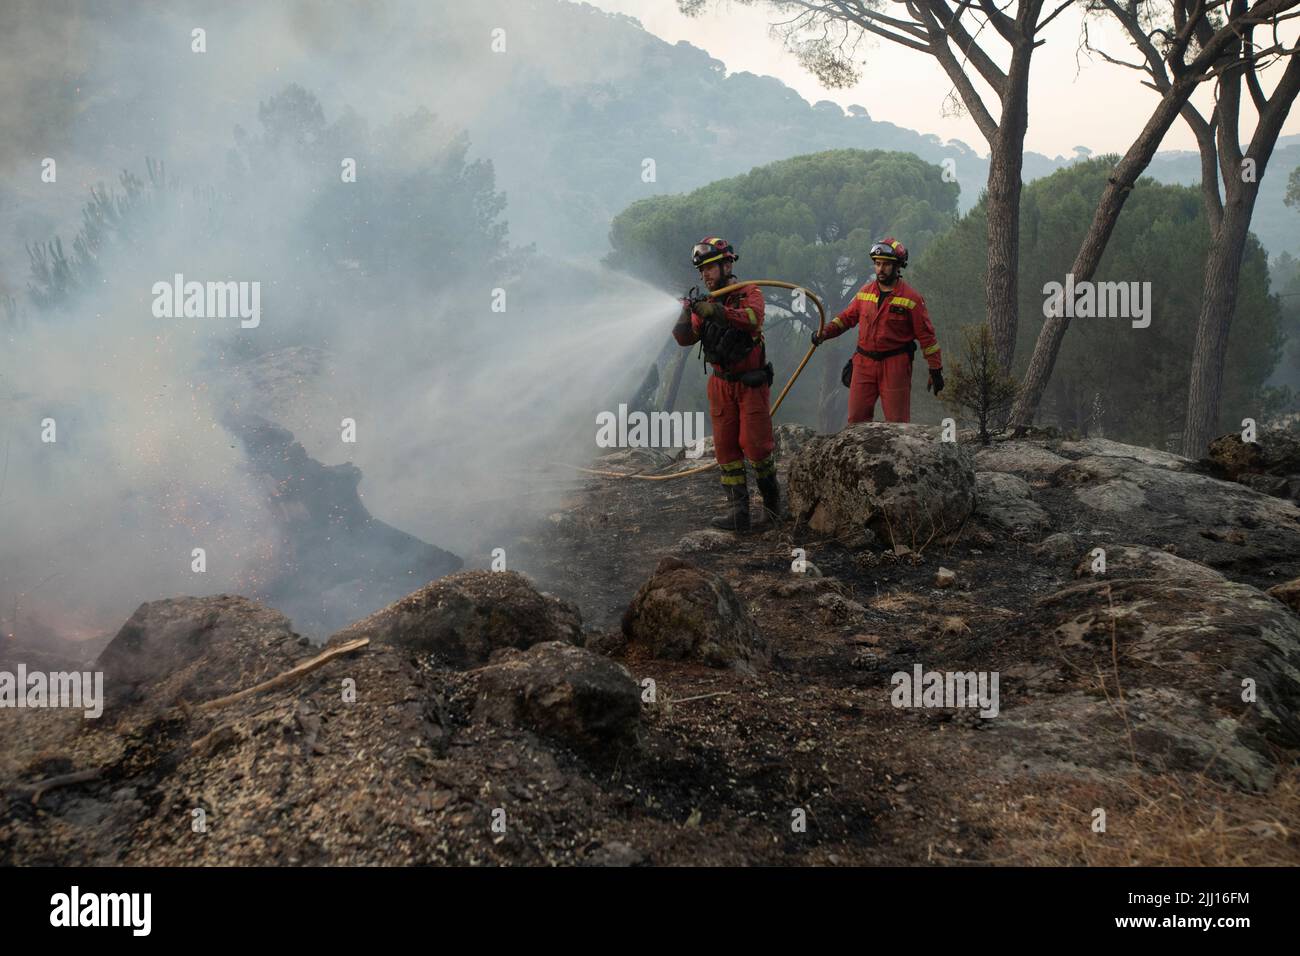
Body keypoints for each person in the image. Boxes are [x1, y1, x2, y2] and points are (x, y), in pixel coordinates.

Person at [671, 236, 780, 532]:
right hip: (720, 385)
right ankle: (738, 512)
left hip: (750, 384)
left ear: (727, 264)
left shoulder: (748, 292)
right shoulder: (704, 304)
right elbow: (684, 339)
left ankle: (772, 509)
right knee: (726, 449)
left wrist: (716, 311)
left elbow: (752, 318)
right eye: (701, 271)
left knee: (756, 446)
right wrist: (685, 313)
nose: (705, 275)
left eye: (709, 268)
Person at [812, 237, 943, 423]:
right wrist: (824, 333)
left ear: (898, 266)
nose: (880, 269)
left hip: (895, 364)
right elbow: (845, 319)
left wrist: (935, 369)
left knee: (897, 423)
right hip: (863, 363)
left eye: (886, 265)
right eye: (877, 264)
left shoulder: (912, 299)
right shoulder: (864, 293)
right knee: (856, 419)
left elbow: (927, 338)